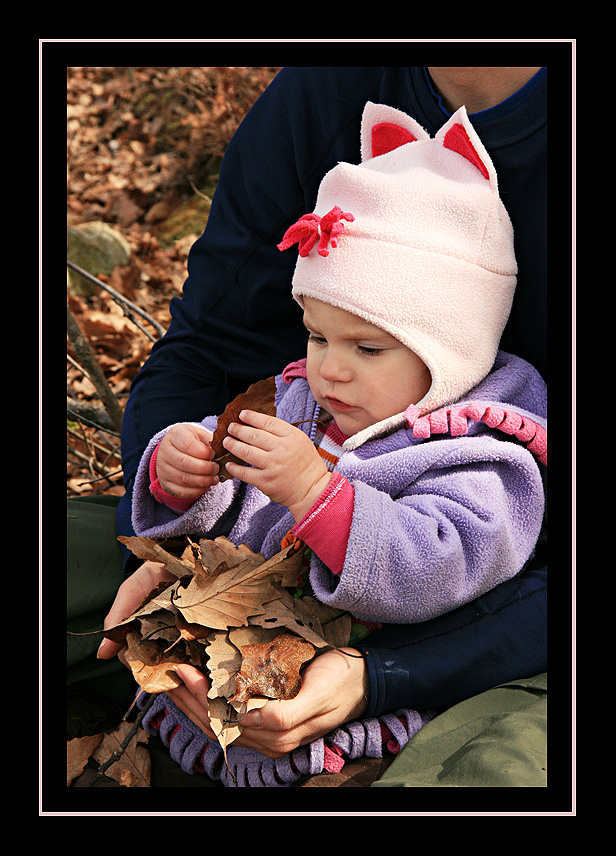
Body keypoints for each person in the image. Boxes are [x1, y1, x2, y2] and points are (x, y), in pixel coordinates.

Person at [70, 67, 548, 789]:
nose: (329, 370)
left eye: (367, 348)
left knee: (490, 773)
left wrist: (378, 670)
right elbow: (207, 369)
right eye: (316, 337)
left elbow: (431, 562)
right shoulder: (310, 399)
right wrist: (184, 482)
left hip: (464, 643)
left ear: (449, 355)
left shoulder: (480, 456)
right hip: (256, 627)